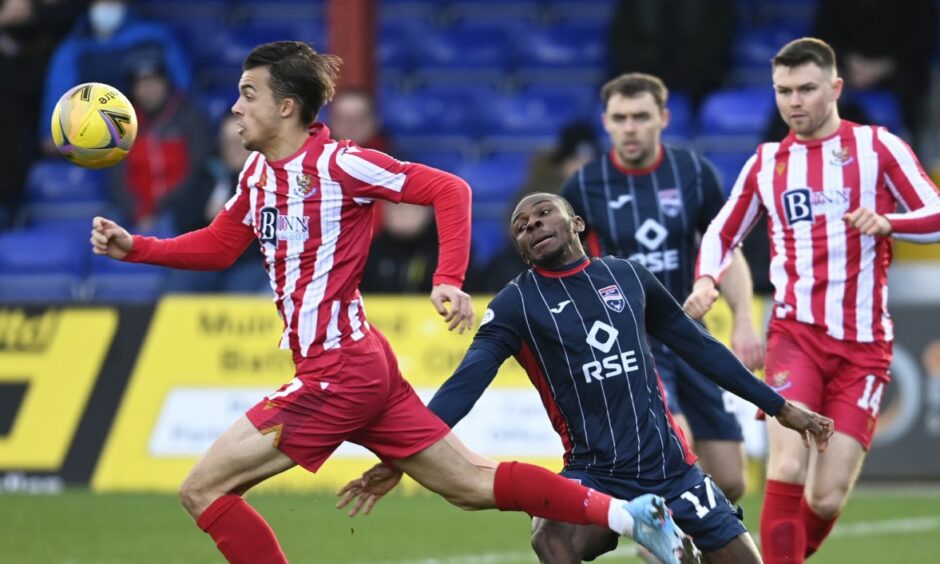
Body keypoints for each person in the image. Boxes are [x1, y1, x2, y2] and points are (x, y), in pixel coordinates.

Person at [89, 41, 696, 564]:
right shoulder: (256, 176)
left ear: (286, 107)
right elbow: (221, 246)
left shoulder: (340, 164)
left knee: (202, 490)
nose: (234, 107)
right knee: (471, 483)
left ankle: (632, 515)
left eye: (248, 94)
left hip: (339, 371)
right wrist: (135, 247)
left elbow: (448, 189)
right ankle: (631, 515)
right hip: (360, 364)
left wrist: (448, 277)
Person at [339, 192, 834, 564]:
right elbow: (466, 384)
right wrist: (403, 455)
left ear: (576, 223)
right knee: (550, 539)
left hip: (674, 469)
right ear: (523, 250)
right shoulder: (516, 305)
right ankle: (649, 530)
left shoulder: (628, 276)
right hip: (594, 473)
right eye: (521, 226)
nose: (532, 224)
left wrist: (781, 407)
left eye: (543, 214)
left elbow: (699, 347)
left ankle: (671, 533)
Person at [689, 37, 940, 564]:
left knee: (825, 497)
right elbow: (720, 233)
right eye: (783, 90)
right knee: (785, 468)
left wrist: (890, 221)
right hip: (795, 335)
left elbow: (935, 213)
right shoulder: (767, 163)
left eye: (806, 88)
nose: (794, 101)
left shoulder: (878, 147)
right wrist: (707, 280)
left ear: (836, 88)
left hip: (864, 347)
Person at [561, 73, 762, 507]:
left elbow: (725, 250)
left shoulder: (693, 173)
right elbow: (561, 269)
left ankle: (661, 536)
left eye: (640, 116)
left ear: (663, 118)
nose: (630, 127)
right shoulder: (582, 187)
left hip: (689, 334)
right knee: (673, 459)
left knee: (730, 480)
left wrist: (744, 319)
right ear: (606, 122)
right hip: (630, 341)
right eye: (620, 118)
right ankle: (659, 546)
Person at [39, 0, 191, 152]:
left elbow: (183, 89)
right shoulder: (74, 48)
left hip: (150, 129)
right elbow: (58, 93)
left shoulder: (154, 37)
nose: (106, 6)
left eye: (112, 2)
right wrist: (50, 132)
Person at [109, 56, 212, 234]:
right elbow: (117, 179)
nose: (149, 89)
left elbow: (196, 172)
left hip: (180, 212)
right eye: (141, 84)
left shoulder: (190, 116)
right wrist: (138, 212)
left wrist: (158, 210)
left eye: (154, 82)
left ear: (166, 83)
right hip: (135, 214)